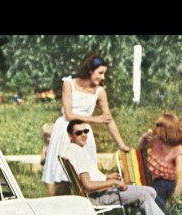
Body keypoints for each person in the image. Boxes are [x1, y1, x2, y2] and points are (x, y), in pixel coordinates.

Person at [42, 54, 132, 196]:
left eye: (104, 74)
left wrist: (121, 145)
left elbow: (108, 119)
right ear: (90, 70)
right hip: (65, 130)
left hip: (83, 131)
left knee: (84, 174)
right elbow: (69, 115)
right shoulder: (69, 84)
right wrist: (96, 119)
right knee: (61, 175)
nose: (102, 77)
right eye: (100, 73)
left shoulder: (99, 91)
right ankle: (56, 203)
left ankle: (84, 204)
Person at [65, 120, 171, 215]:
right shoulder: (77, 153)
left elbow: (88, 178)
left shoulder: (74, 150)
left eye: (85, 131)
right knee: (143, 195)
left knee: (151, 191)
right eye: (78, 133)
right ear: (70, 135)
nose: (84, 135)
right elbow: (88, 186)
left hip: (99, 192)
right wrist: (113, 183)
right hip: (97, 196)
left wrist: (105, 178)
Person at [137, 112, 182, 214]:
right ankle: (162, 214)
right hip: (156, 182)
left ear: (165, 130)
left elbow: (180, 180)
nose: (154, 127)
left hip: (168, 185)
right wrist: (144, 138)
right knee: (149, 196)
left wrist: (175, 199)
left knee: (151, 197)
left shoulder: (178, 151)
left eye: (157, 125)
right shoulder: (158, 142)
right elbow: (140, 148)